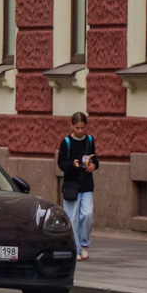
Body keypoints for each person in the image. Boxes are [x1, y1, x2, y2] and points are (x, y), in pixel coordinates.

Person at [57, 111, 97, 260]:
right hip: (71, 185)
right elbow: (61, 164)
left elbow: (95, 158)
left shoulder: (90, 140)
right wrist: (72, 164)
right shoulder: (66, 142)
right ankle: (75, 248)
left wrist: (94, 165)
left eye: (82, 128)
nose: (80, 131)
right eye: (77, 128)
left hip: (86, 183)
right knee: (72, 218)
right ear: (72, 126)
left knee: (87, 214)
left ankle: (84, 244)